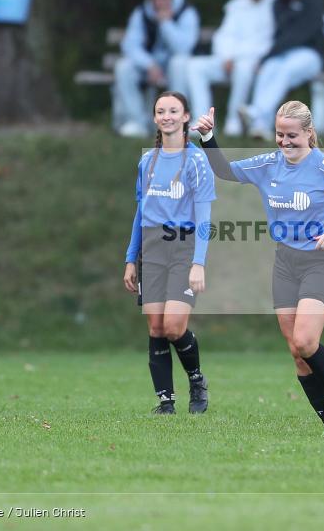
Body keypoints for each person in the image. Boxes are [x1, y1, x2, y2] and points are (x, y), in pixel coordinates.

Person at [192, 101, 324, 436]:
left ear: (308, 133)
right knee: (296, 352)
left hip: (322, 263)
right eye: (279, 134)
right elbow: (225, 170)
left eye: (292, 135)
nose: (285, 142)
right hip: (286, 263)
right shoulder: (267, 165)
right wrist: (208, 137)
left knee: (305, 340)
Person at [123, 91, 216, 414]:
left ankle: (197, 380)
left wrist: (198, 263)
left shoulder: (196, 160)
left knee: (174, 326)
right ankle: (166, 401)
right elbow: (141, 212)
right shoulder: (147, 161)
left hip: (183, 248)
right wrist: (131, 258)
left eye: (174, 111)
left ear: (186, 117)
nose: (167, 116)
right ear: (154, 118)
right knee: (156, 327)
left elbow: (204, 217)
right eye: (161, 111)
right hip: (152, 249)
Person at [183, 0, 276, 137]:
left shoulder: (276, 5)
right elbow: (224, 35)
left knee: (243, 68)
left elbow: (267, 42)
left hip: (256, 63)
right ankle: (204, 122)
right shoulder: (237, 4)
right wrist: (227, 56)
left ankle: (234, 121)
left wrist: (235, 57)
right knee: (195, 66)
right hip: (228, 60)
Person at [238, 0, 324, 140]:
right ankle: (260, 127)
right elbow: (282, 35)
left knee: (284, 70)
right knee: (268, 69)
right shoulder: (279, 2)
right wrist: (265, 60)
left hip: (310, 56)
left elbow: (302, 34)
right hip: (284, 54)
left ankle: (256, 111)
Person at [113, 0, 200, 138]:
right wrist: (149, 65)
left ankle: (176, 123)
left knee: (179, 63)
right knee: (123, 67)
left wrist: (166, 23)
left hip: (174, 69)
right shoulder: (141, 13)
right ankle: (136, 122)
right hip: (149, 67)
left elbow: (184, 48)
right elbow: (130, 45)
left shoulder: (187, 13)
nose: (159, 3)